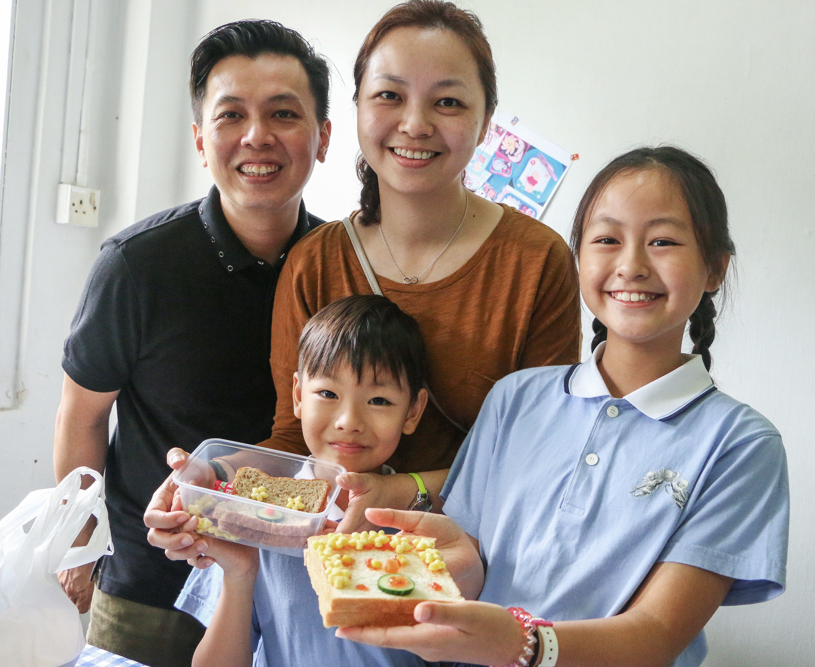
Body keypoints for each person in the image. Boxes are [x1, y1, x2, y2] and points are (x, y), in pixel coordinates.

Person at [146, 0, 579, 557]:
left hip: (476, 565)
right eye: (389, 96)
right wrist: (213, 477)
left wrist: (400, 490)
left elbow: (540, 455)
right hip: (333, 565)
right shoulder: (315, 261)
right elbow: (294, 437)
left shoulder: (536, 261)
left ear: (486, 121)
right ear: (357, 110)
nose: (415, 124)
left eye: (447, 101)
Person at [338, 146, 791, 667]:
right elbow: (474, 566)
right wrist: (450, 566)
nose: (631, 265)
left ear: (715, 269)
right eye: (607, 240)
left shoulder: (741, 445)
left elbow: (658, 632)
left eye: (663, 241)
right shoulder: (515, 397)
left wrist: (526, 645)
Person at [53, 20, 332, 667]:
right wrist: (80, 543)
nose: (257, 136)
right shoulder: (137, 265)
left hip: (295, 583)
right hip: (155, 586)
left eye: (283, 113)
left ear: (322, 138)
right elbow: (82, 414)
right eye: (232, 114)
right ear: (202, 140)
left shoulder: (339, 268)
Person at [175, 295, 433, 667]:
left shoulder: (427, 525)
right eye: (328, 393)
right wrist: (240, 571)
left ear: (413, 411)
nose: (348, 421)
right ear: (298, 396)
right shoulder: (251, 513)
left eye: (379, 400)